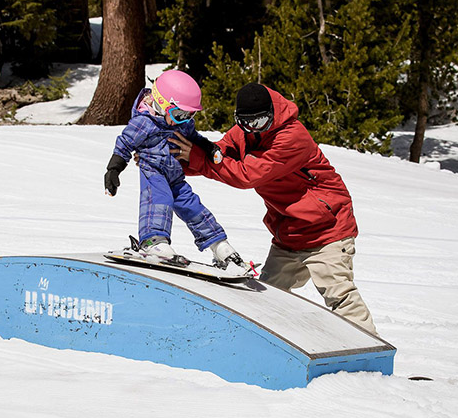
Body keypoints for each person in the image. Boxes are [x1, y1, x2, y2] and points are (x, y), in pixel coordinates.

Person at [168, 82, 377, 335]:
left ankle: (370, 354)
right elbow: (218, 156)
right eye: (244, 123)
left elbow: (248, 175)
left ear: (272, 114)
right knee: (267, 299)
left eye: (258, 122)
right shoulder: (243, 131)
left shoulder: (292, 136)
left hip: (327, 231)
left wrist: (198, 160)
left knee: (339, 295)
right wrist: (173, 162)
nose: (251, 129)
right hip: (290, 234)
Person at [104, 70, 245, 270]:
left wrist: (209, 147)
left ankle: (219, 245)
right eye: (179, 114)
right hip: (153, 172)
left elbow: (193, 136)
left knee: (193, 206)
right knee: (160, 200)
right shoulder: (144, 123)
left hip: (176, 175)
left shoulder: (182, 122)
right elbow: (124, 144)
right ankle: (153, 241)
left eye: (190, 114)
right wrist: (114, 169)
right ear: (161, 104)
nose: (184, 120)